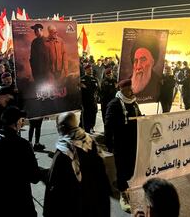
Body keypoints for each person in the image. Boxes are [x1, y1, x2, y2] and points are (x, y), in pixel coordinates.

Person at [43, 112, 110, 217]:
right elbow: (102, 175)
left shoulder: (63, 152)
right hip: (94, 202)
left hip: (74, 206)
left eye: (57, 125)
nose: (56, 128)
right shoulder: (90, 141)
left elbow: (54, 188)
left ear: (62, 127)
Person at [105, 79, 142, 213]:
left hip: (133, 142)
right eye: (129, 89)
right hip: (120, 144)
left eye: (132, 89)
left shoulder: (134, 103)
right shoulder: (114, 104)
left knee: (132, 167)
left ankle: (129, 187)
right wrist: (109, 144)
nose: (132, 91)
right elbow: (108, 126)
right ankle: (123, 194)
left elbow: (139, 118)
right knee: (122, 169)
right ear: (122, 90)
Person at [80, 63, 99, 133]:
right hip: (85, 101)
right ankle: (85, 129)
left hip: (93, 100)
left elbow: (98, 89)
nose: (90, 70)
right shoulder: (82, 79)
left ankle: (91, 126)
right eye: (88, 69)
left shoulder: (95, 79)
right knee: (86, 115)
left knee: (93, 114)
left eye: (91, 69)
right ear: (85, 70)